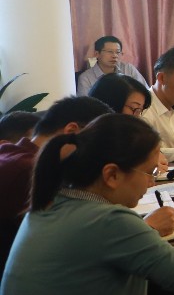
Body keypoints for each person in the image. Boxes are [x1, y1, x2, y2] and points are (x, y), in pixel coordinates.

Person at [0, 114, 174, 295]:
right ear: (112, 175)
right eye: (150, 171)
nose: (152, 182)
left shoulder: (45, 206)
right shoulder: (112, 221)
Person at [0, 97, 113, 265]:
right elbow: (67, 243)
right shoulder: (29, 171)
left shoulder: (12, 154)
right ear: (71, 131)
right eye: (99, 147)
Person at [74, 35, 146, 95]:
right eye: (110, 52)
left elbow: (145, 92)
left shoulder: (128, 69)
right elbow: (85, 104)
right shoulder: (86, 78)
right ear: (97, 54)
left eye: (118, 52)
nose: (115, 56)